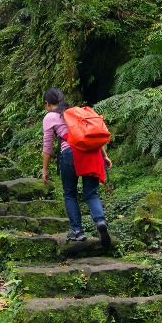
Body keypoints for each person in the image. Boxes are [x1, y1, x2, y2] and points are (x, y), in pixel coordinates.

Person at [41, 87, 112, 246]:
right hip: (92, 153)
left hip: (70, 153)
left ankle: (77, 231)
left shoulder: (50, 117)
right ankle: (100, 222)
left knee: (70, 193)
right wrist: (105, 156)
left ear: (47, 104)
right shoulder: (77, 112)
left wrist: (44, 170)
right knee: (91, 193)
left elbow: (47, 147)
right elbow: (93, 134)